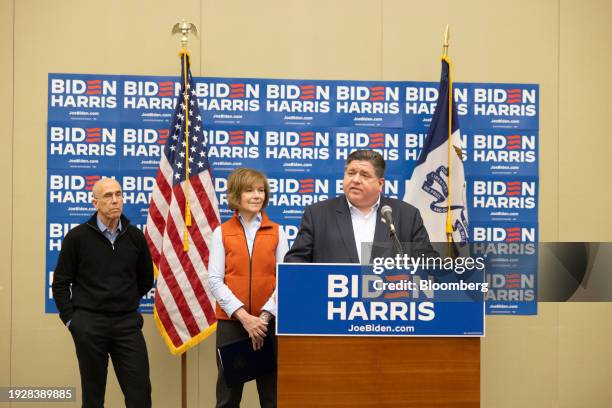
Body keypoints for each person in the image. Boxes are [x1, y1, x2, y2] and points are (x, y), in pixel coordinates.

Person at [52, 178, 154, 408]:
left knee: (140, 394)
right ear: (95, 203)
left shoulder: (135, 237)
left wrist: (124, 301)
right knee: (93, 395)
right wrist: (72, 321)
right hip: (89, 325)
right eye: (108, 196)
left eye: (119, 194)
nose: (115, 200)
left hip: (127, 325)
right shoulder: (77, 237)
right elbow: (60, 284)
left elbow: (146, 279)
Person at [209, 168, 288, 408]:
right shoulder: (221, 232)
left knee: (271, 396)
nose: (257, 195)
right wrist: (244, 317)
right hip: (232, 324)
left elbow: (284, 279)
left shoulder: (277, 232)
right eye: (249, 190)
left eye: (261, 190)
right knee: (228, 397)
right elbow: (214, 280)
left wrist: (263, 318)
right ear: (236, 195)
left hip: (268, 324)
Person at [284, 149, 434, 264]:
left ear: (380, 183)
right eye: (351, 173)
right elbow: (295, 262)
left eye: (364, 175)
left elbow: (428, 263)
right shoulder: (317, 214)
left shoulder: (407, 215)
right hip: (331, 302)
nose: (355, 180)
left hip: (389, 301)